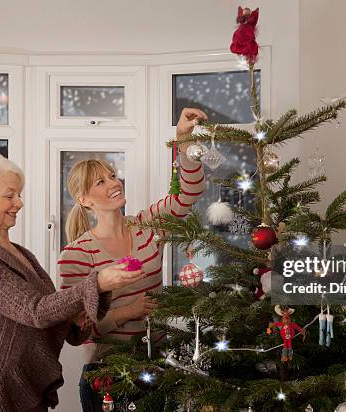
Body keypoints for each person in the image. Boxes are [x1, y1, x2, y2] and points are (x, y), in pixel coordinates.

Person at [0, 154, 146, 412]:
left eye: (19, 195)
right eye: (10, 195)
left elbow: (52, 315)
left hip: (21, 388)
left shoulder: (21, 254)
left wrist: (79, 318)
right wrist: (98, 283)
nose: (19, 203)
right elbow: (34, 311)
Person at [57, 108, 207, 411]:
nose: (114, 183)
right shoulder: (75, 255)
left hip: (155, 366)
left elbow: (187, 195)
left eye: (112, 176)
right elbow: (77, 330)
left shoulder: (148, 226)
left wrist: (183, 140)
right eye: (100, 182)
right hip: (107, 374)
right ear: (84, 200)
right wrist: (126, 312)